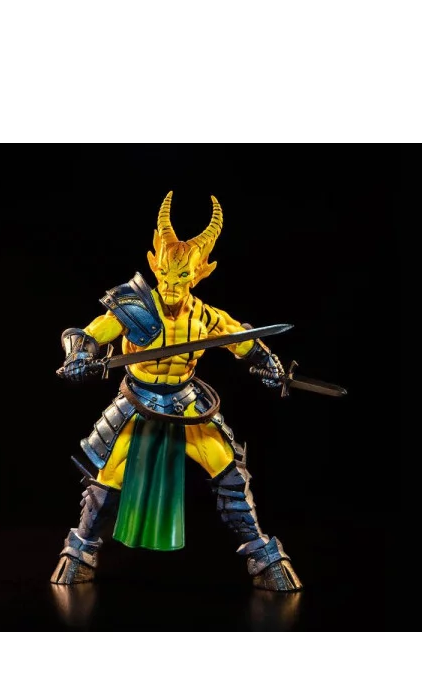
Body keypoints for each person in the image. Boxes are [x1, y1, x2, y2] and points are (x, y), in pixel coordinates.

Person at [50, 191, 302, 592]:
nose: (170, 283)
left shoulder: (204, 317)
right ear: (155, 264)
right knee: (107, 479)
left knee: (229, 472)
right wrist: (79, 355)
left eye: (181, 276)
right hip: (138, 404)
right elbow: (86, 335)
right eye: (165, 273)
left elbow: (246, 343)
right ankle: (78, 552)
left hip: (186, 406)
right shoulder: (133, 307)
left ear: (201, 272)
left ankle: (263, 554)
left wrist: (269, 365)